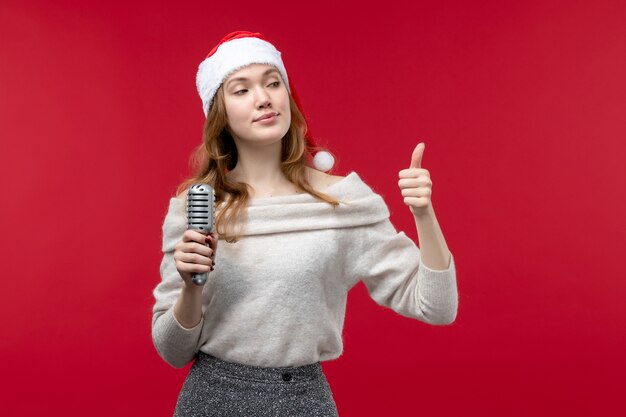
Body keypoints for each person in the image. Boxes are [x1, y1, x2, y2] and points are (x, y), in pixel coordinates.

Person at [151, 30, 458, 417]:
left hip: (302, 401)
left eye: (273, 82)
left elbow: (437, 307)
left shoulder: (341, 201)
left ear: (288, 98)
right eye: (241, 90)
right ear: (219, 113)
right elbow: (172, 351)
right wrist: (190, 287)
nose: (263, 98)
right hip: (210, 399)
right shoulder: (195, 208)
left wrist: (424, 215)